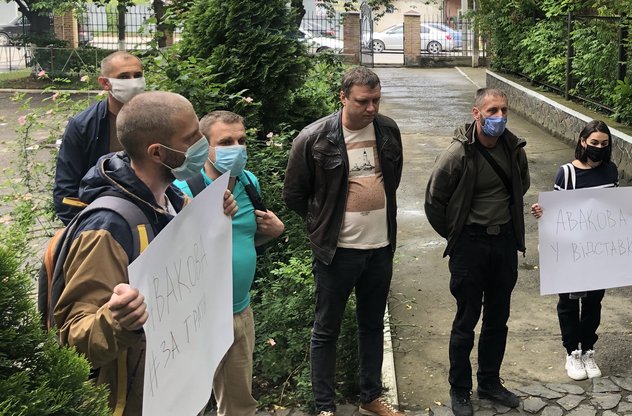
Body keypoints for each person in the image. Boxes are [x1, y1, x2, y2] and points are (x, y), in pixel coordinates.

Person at [53, 91, 236, 415]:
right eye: (192, 137)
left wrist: (213, 222)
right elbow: (74, 339)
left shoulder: (173, 202)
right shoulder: (106, 230)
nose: (202, 143)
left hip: (174, 392)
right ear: (158, 153)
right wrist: (117, 320)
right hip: (131, 402)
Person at [283, 67, 404, 416]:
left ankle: (370, 397)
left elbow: (391, 181)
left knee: (372, 324)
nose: (371, 109)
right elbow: (294, 195)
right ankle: (325, 407)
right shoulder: (314, 137)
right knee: (326, 330)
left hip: (380, 248)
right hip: (337, 253)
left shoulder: (388, 130)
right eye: (363, 102)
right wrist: (321, 226)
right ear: (343, 97)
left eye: (376, 100)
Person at [425, 87, 530, 416]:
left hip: (503, 245)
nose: (499, 116)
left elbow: (521, 186)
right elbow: (433, 201)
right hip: (470, 245)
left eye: (503, 110)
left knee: (498, 319)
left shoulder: (514, 149)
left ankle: (489, 381)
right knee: (466, 320)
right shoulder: (457, 154)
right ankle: (459, 389)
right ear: (476, 114)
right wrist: (457, 235)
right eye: (492, 111)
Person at [173, 110, 284, 415]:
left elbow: (244, 240)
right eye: (225, 142)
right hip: (197, 317)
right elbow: (172, 259)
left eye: (241, 140)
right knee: (186, 401)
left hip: (240, 311)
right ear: (203, 147)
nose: (236, 147)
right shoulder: (181, 190)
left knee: (239, 403)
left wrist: (273, 233)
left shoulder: (249, 183)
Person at [530, 120, 617, 381]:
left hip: (599, 250)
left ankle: (588, 349)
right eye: (594, 143)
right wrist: (542, 213)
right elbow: (556, 211)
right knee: (569, 303)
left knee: (593, 302)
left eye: (604, 143)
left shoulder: (611, 171)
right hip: (571, 250)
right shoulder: (566, 174)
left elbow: (618, 207)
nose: (599, 148)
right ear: (582, 142)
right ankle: (572, 352)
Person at [53, 51, 147, 224]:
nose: (133, 82)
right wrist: (91, 230)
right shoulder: (83, 126)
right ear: (105, 83)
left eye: (138, 75)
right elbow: (65, 194)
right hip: (104, 224)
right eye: (124, 77)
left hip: (151, 218)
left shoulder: (156, 119)